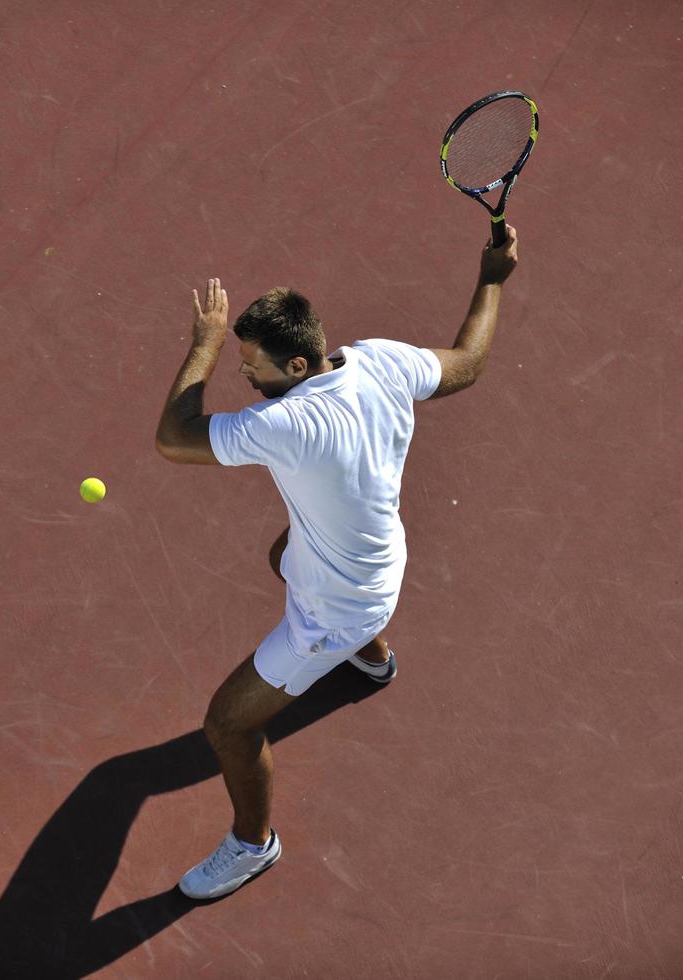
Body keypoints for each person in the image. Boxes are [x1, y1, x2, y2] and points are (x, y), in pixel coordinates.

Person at [154, 226, 520, 900]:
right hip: (380, 557)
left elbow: (175, 440)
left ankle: (251, 846)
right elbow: (468, 361)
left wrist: (202, 345)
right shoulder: (378, 361)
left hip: (337, 610)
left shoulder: (285, 425)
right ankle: (373, 660)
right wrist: (493, 278)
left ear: (296, 367)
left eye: (252, 366)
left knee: (228, 723)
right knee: (283, 552)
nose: (244, 376)